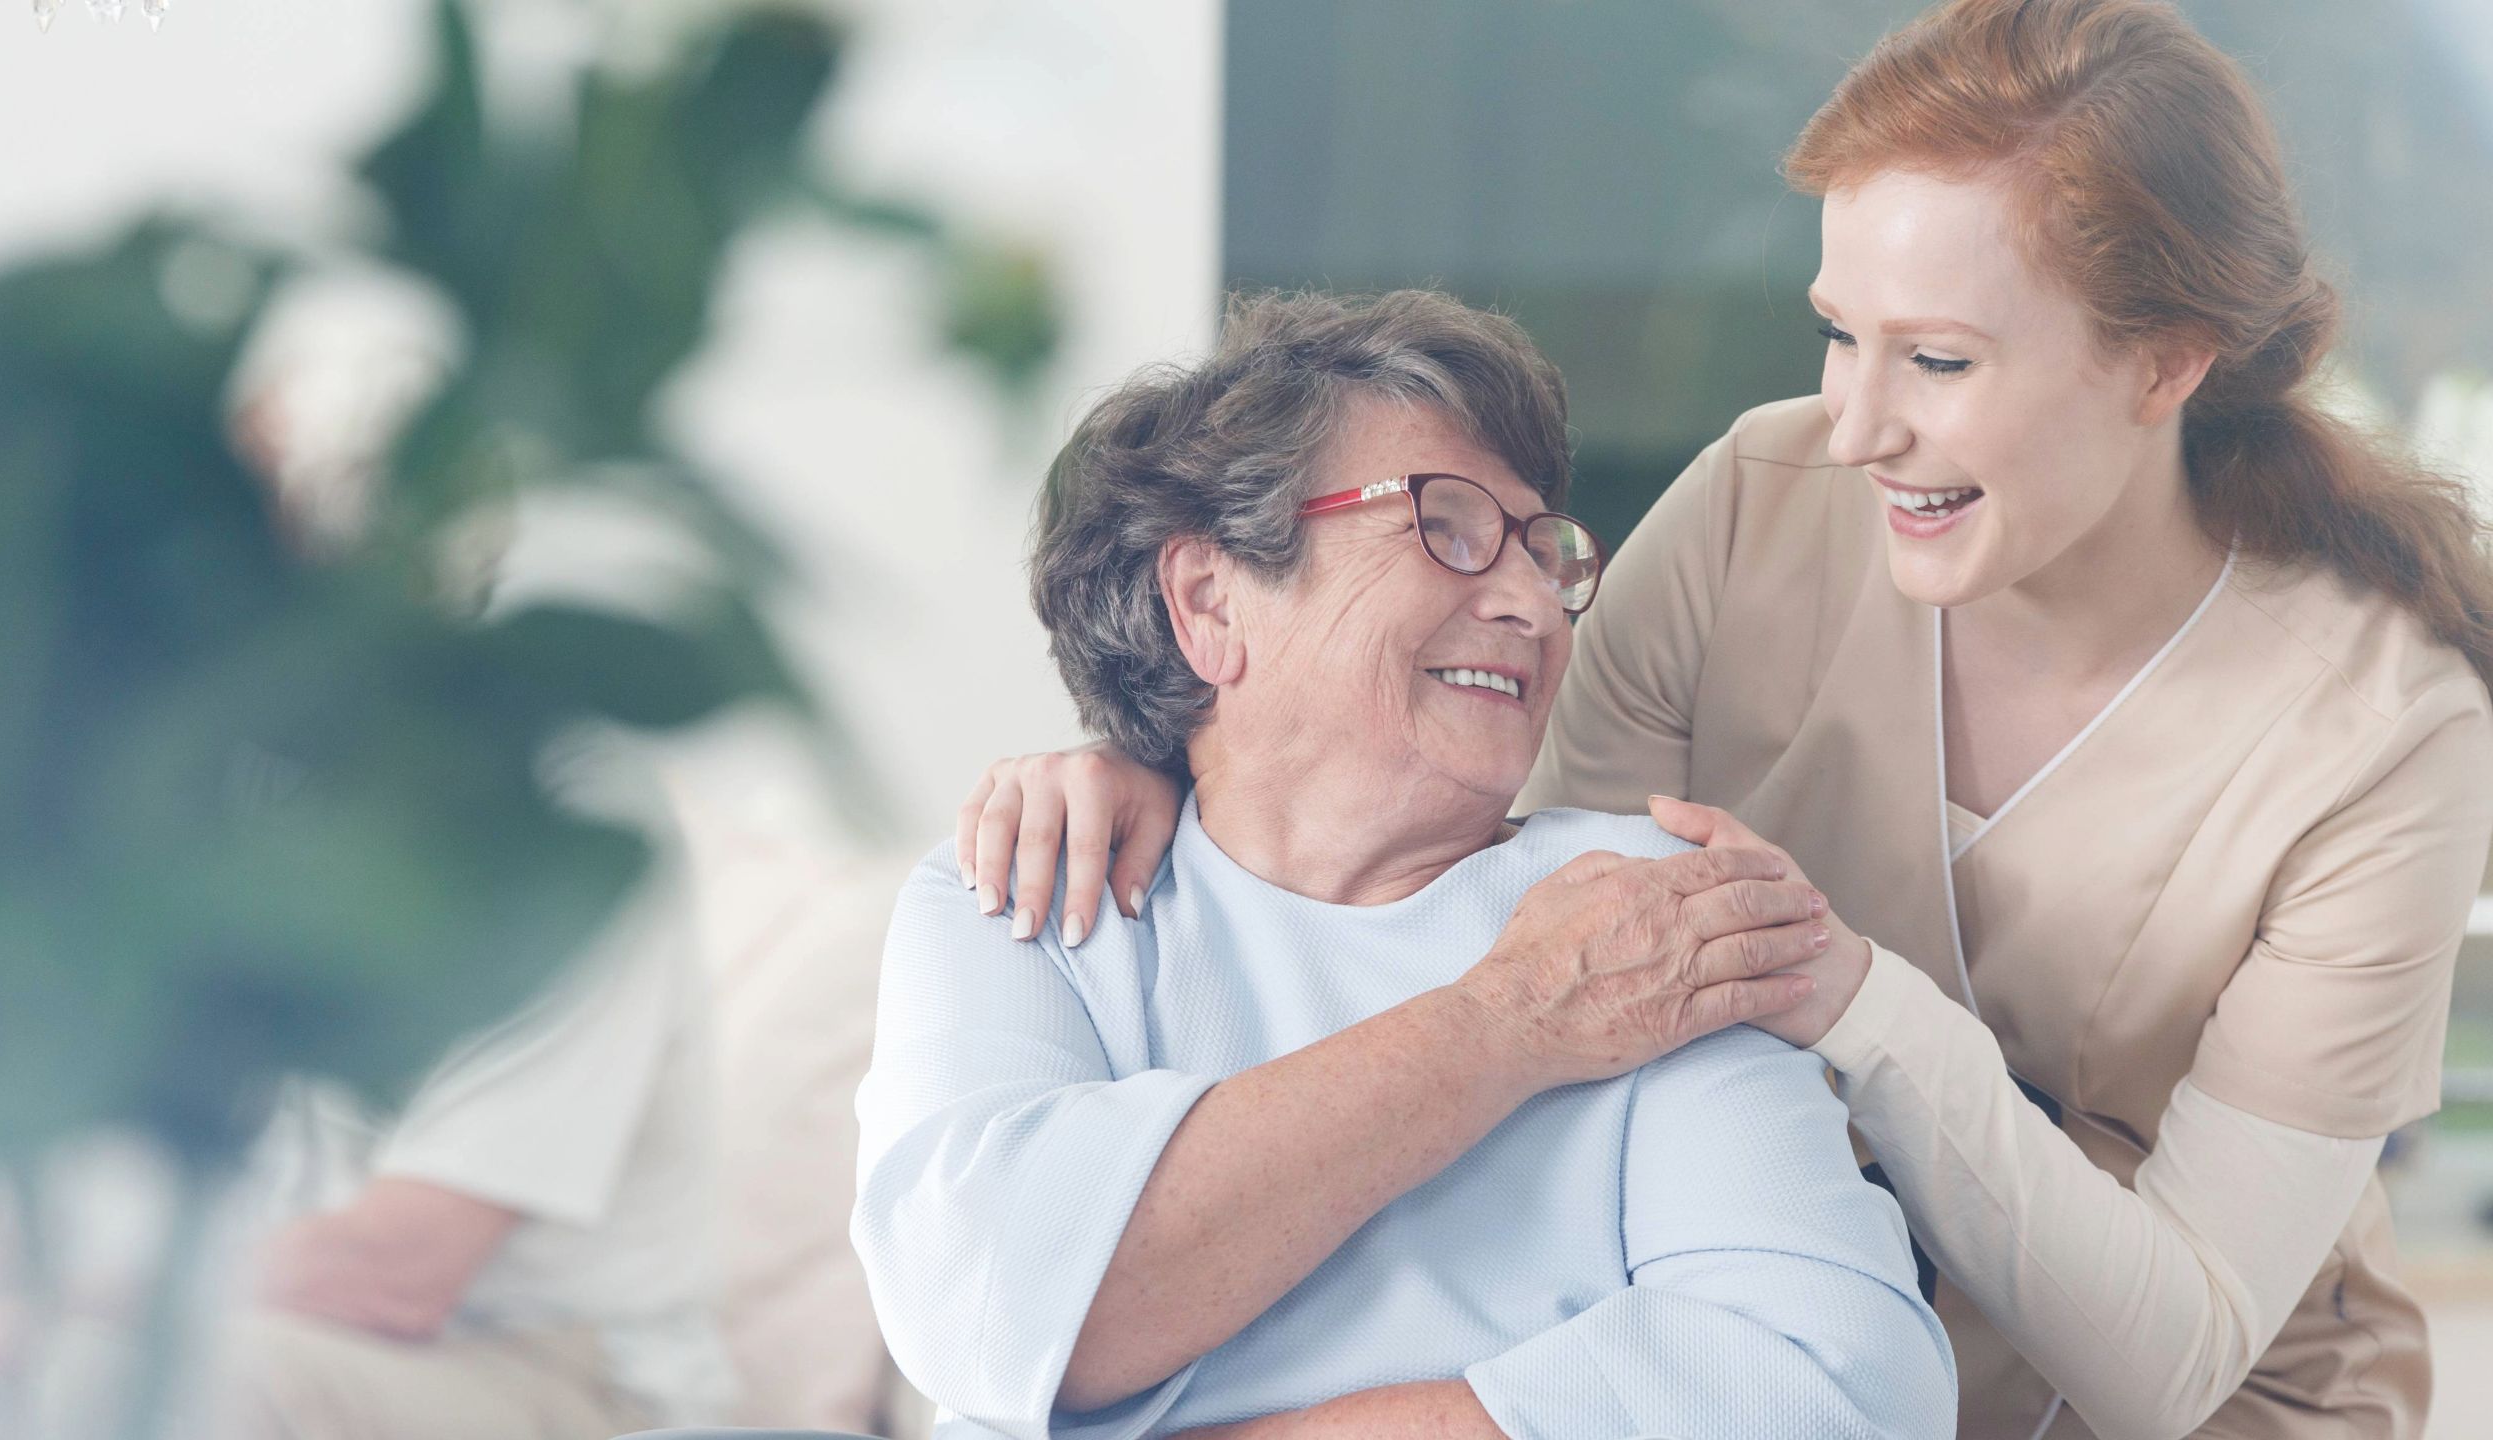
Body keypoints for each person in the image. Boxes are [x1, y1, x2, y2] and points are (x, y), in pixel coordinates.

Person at [952, 3, 2493, 1437]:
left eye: (1940, 361)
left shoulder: (2385, 736)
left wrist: (1849, 997)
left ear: (2164, 364)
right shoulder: (1768, 503)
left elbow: (2170, 1359)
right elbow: (1486, 894)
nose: (1858, 423)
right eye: (1841, 331)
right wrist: (1175, 755)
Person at [853, 289, 1957, 1440]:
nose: (1532, 601)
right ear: (1210, 602)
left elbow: (1837, 1388)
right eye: (1449, 524)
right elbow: (987, 1311)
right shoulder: (1033, 889)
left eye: (1545, 551)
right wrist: (1511, 1019)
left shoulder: (1644, 913)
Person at [214, 776, 738, 1440]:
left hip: (572, 1377)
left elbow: (394, 1274)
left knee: (208, 1379)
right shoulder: (248, 812)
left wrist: (98, 1300)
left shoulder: (572, 833)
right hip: (323, 1327)